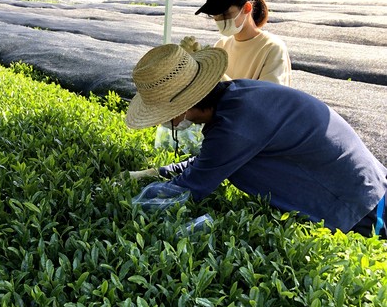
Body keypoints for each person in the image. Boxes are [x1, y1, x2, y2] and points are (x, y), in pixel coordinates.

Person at [125, 43, 387, 238]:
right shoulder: (237, 96)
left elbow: (191, 186)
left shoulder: (235, 124)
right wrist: (154, 171)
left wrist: (131, 207)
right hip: (367, 183)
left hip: (360, 204)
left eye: (162, 114)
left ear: (181, 109)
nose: (162, 121)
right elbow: (211, 161)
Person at [195, 0, 291, 86]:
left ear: (246, 8)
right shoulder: (221, 46)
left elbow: (266, 100)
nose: (219, 20)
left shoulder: (272, 49)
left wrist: (217, 75)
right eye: (214, 14)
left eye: (225, 13)